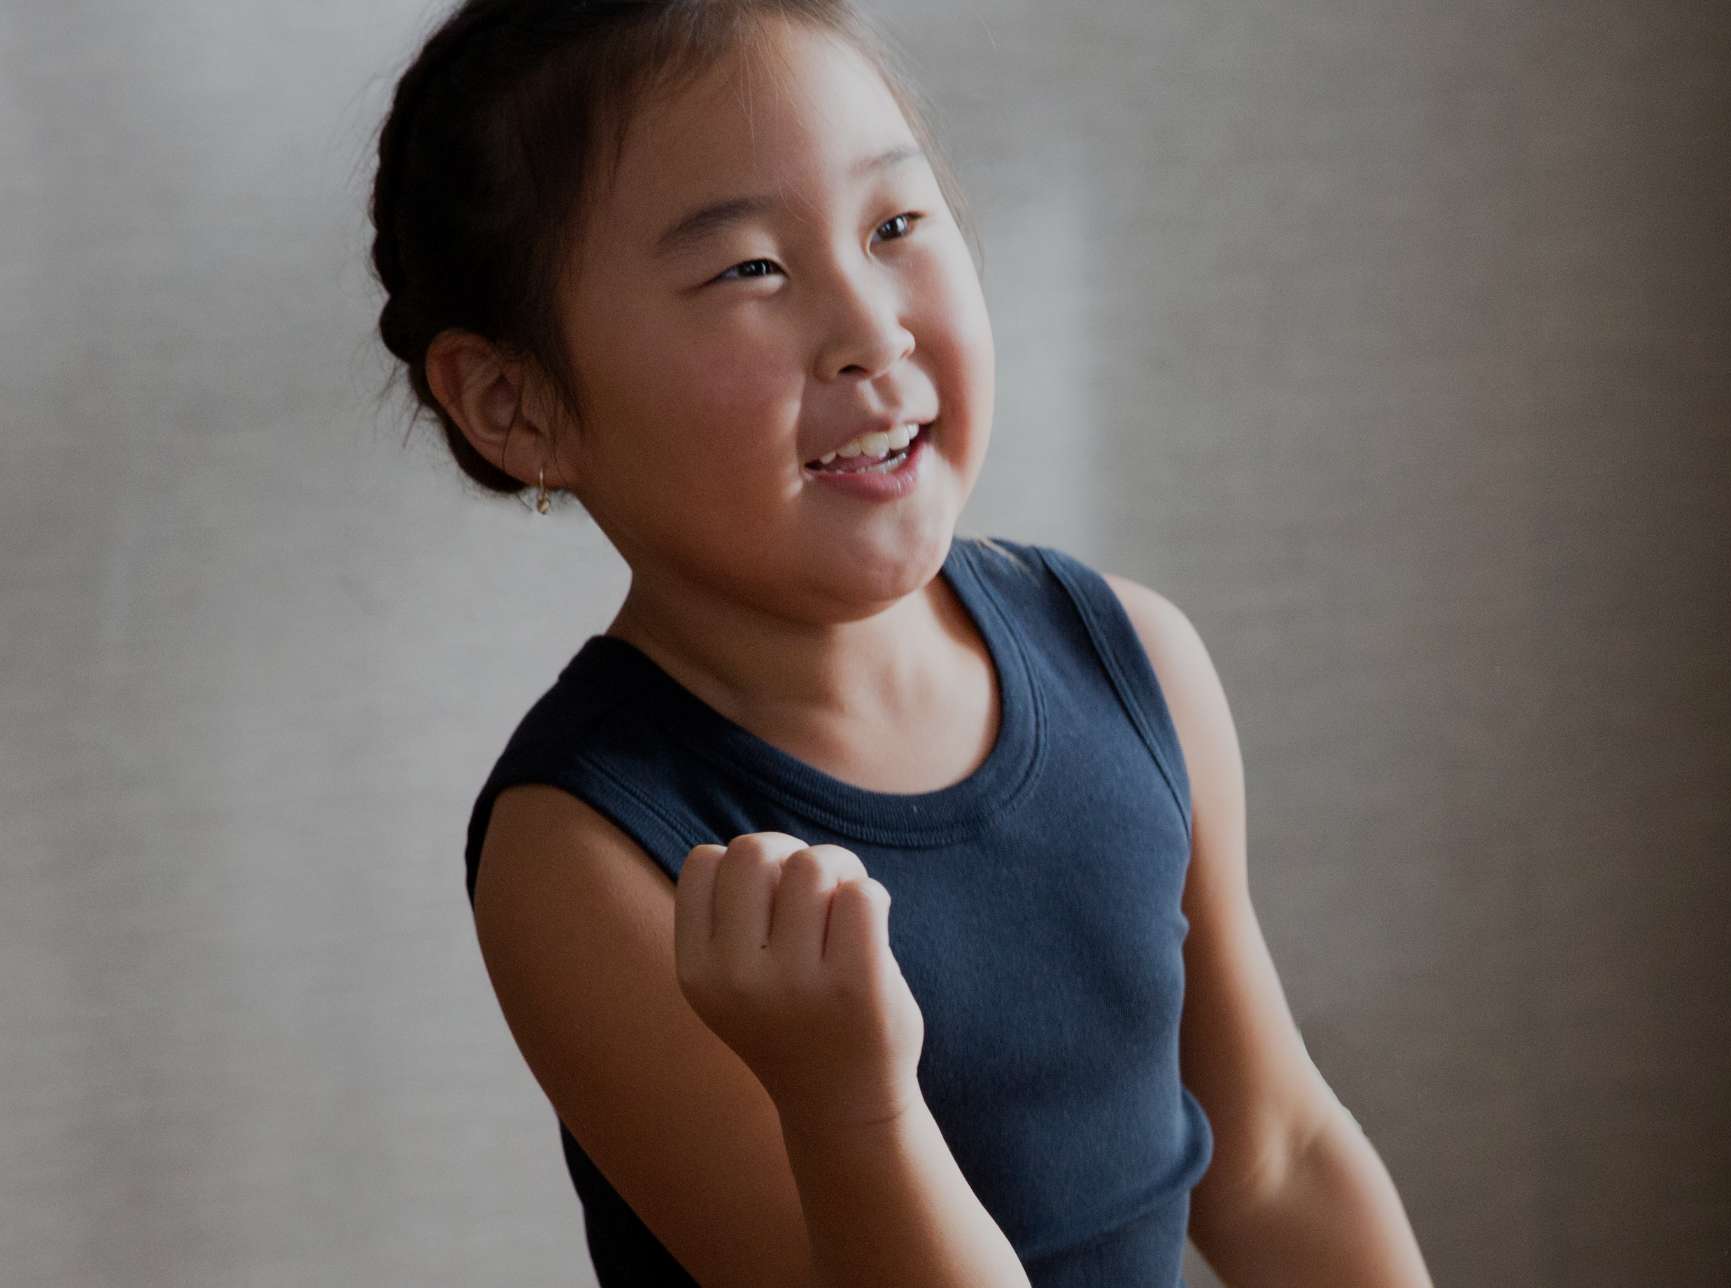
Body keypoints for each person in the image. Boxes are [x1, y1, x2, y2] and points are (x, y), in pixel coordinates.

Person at [366, 3, 1433, 1283]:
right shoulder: (588, 856)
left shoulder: (1135, 660)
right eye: (750, 269)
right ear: (512, 400)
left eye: (893, 225)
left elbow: (1276, 1160)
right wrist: (848, 1104)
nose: (872, 328)